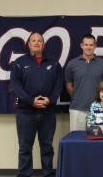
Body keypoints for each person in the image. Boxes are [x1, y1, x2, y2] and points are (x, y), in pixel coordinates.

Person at [10, 32, 63, 177]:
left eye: (40, 40)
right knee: (25, 148)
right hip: (25, 112)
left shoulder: (54, 63)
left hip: (47, 111)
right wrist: (31, 100)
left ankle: (48, 174)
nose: (37, 43)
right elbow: (16, 86)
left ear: (44, 44)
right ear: (28, 43)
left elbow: (59, 85)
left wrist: (50, 100)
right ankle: (24, 175)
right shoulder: (19, 63)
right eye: (34, 40)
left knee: (47, 146)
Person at [65, 34, 103, 131]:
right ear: (81, 45)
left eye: (91, 45)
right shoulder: (72, 64)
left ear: (95, 46)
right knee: (76, 140)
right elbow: (68, 84)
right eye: (86, 45)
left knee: (98, 140)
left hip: (99, 109)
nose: (88, 47)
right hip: (77, 109)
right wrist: (77, 96)